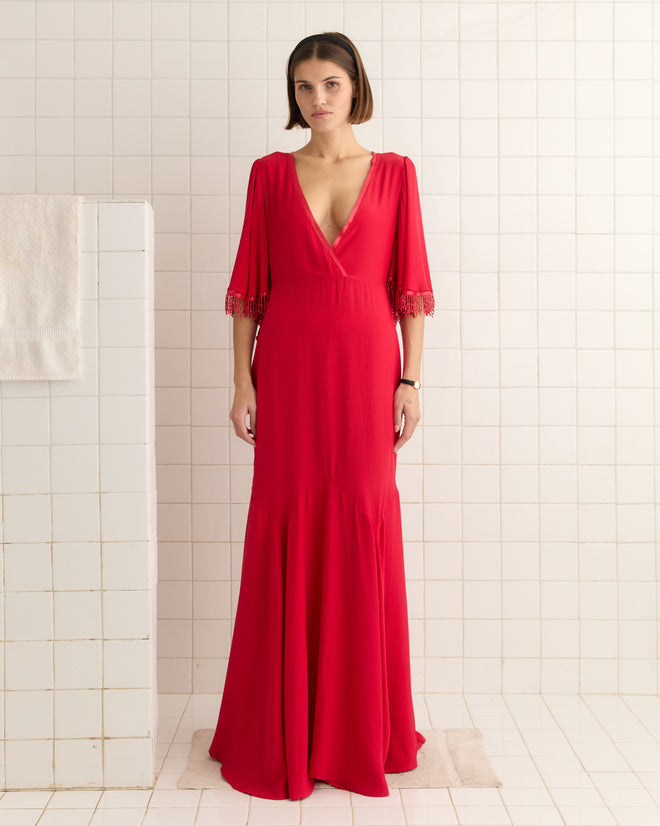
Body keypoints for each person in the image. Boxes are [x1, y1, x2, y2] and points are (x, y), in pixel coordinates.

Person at [208, 31, 435, 801]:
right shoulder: (270, 176)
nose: (317, 100)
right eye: (303, 87)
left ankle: (360, 727)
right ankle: (278, 728)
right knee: (285, 517)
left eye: (330, 83)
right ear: (293, 95)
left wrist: (410, 379)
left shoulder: (396, 175)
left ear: (354, 86)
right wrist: (241, 381)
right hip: (292, 371)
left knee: (366, 516)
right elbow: (250, 291)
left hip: (369, 372)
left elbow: (411, 292)